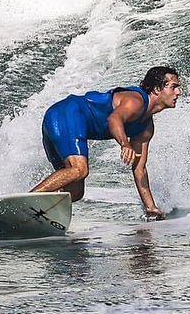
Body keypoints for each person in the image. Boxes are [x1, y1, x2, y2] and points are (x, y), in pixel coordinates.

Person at [31, 65, 181, 220]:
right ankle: (29, 199)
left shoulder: (146, 128)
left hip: (63, 123)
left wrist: (151, 208)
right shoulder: (136, 101)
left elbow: (140, 169)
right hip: (68, 113)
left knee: (75, 192)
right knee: (80, 169)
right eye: (173, 87)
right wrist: (125, 144)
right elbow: (114, 119)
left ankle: (32, 212)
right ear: (157, 89)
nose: (178, 92)